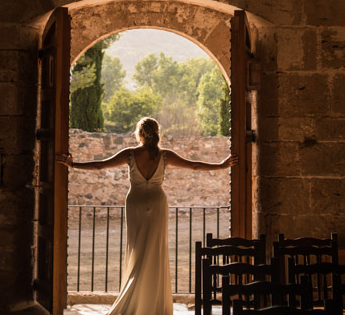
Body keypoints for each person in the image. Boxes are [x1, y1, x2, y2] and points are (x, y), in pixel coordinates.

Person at [56, 117, 236, 315]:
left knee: (137, 250)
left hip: (135, 203)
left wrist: (73, 165)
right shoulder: (165, 156)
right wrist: (221, 165)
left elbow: (100, 165)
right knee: (155, 251)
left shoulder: (130, 154)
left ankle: (134, 299)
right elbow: (194, 165)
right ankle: (153, 303)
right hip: (158, 202)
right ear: (157, 132)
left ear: (140, 134)